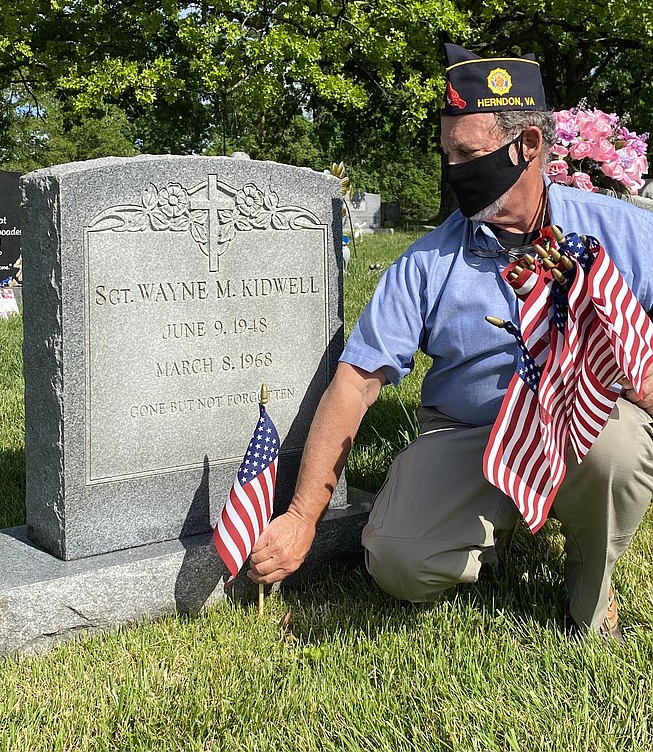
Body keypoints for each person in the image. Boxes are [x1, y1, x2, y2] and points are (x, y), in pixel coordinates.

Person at [248, 44, 653, 640]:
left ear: (529, 148)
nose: (454, 170)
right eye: (447, 154)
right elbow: (356, 382)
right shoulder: (426, 262)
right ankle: (499, 523)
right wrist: (304, 516)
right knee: (398, 564)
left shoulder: (622, 230)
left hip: (579, 424)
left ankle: (591, 576)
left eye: (469, 153)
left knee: (619, 444)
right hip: (469, 433)